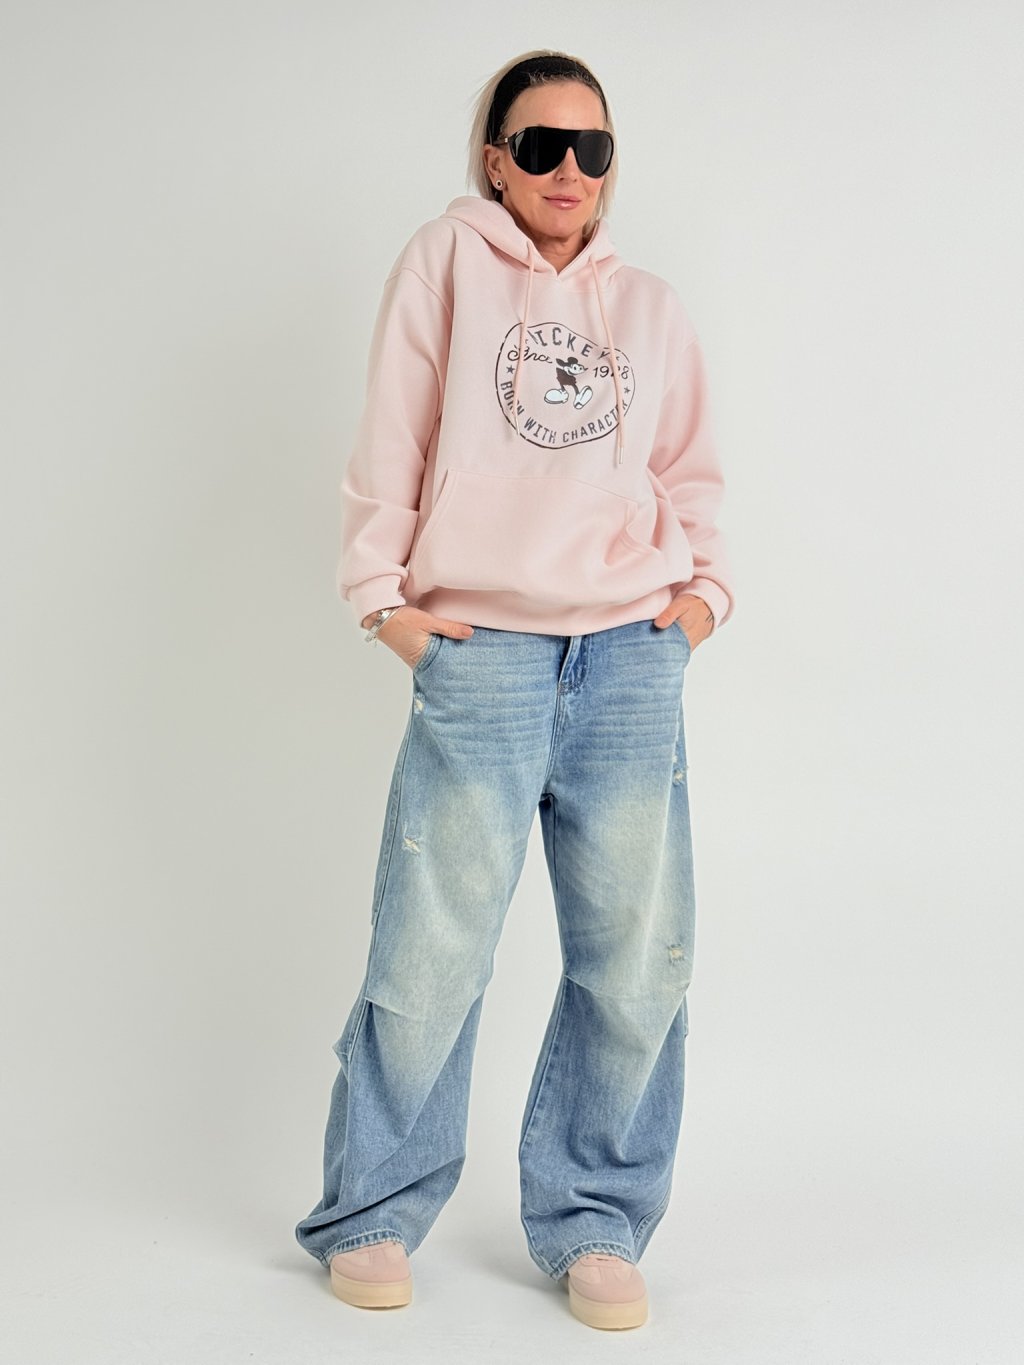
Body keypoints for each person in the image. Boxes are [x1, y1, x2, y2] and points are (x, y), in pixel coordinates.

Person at [294, 49, 736, 1331]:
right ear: (495, 159)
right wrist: (385, 606)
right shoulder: (444, 265)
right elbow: (393, 434)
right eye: (541, 145)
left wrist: (699, 604)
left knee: (637, 962)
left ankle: (595, 1219)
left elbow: (692, 472)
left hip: (630, 657)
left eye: (592, 149)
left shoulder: (647, 306)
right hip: (482, 650)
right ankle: (372, 1210)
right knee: (430, 954)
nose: (567, 171)